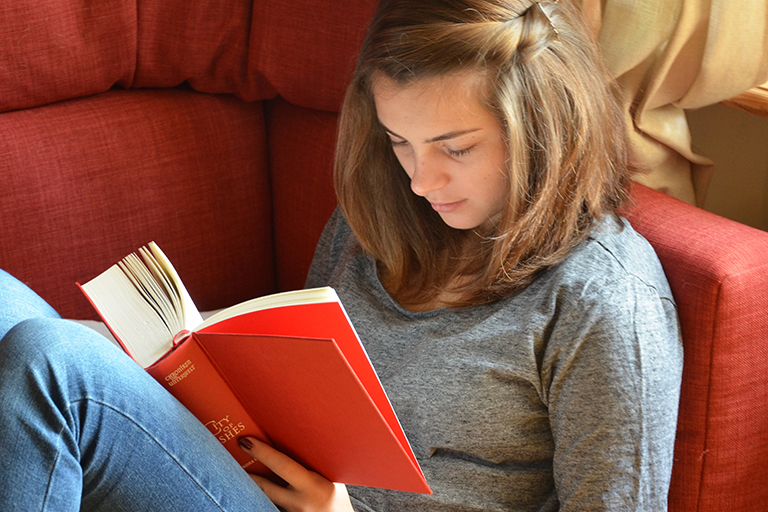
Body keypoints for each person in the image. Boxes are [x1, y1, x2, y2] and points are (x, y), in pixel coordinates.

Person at [0, 0, 682, 510]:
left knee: (51, 362)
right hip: (246, 482)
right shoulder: (383, 215)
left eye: (456, 147)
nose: (422, 181)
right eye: (400, 141)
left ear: (545, 128)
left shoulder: (604, 299)